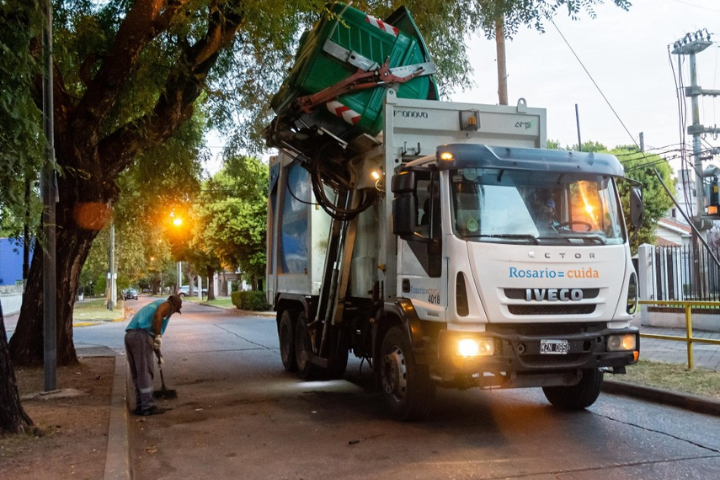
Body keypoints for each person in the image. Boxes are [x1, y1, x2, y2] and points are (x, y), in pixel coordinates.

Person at [124, 295, 182, 416]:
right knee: (145, 372)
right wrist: (158, 336)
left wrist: (158, 354)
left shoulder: (155, 304)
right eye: (177, 310)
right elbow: (158, 315)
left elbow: (153, 336)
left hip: (131, 336)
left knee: (138, 373)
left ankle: (140, 405)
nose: (174, 312)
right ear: (175, 305)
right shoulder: (167, 305)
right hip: (141, 336)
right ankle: (147, 407)